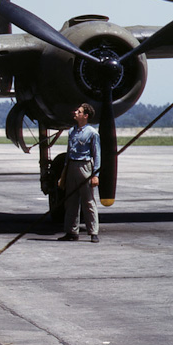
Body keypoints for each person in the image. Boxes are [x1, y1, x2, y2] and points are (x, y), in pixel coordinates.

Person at [58, 102, 101, 243]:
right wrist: (64, 173)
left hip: (85, 167)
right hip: (71, 166)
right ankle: (71, 232)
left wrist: (95, 175)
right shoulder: (72, 131)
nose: (76, 113)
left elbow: (97, 155)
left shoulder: (92, 133)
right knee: (71, 201)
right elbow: (68, 153)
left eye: (79, 111)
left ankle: (93, 232)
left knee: (88, 201)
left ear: (86, 116)